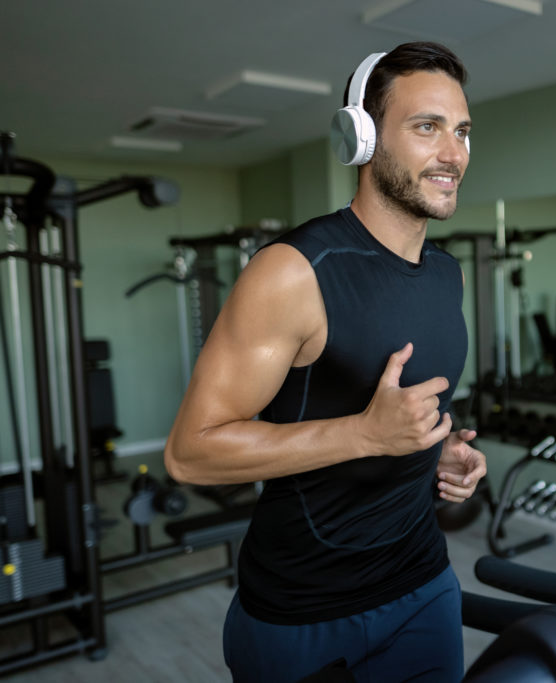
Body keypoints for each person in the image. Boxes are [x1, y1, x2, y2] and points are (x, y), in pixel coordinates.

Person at [164, 41, 485, 683]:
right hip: (304, 613)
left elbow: (402, 415)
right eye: (427, 127)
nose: (453, 154)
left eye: (462, 131)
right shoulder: (294, 270)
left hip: (424, 584)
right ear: (362, 138)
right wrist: (365, 435)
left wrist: (436, 453)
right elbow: (190, 453)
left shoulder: (446, 274)